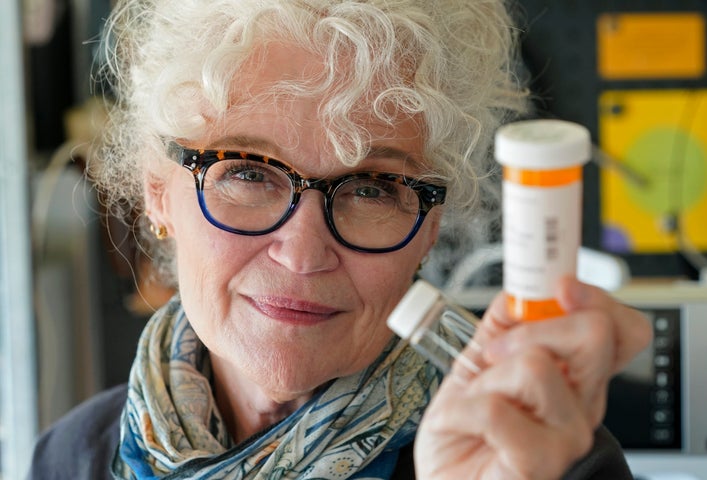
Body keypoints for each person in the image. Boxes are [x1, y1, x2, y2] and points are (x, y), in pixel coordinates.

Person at [29, 0, 652, 479]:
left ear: (430, 226)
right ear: (157, 192)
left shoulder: (535, 456)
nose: (302, 255)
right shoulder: (74, 456)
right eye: (248, 172)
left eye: (372, 188)